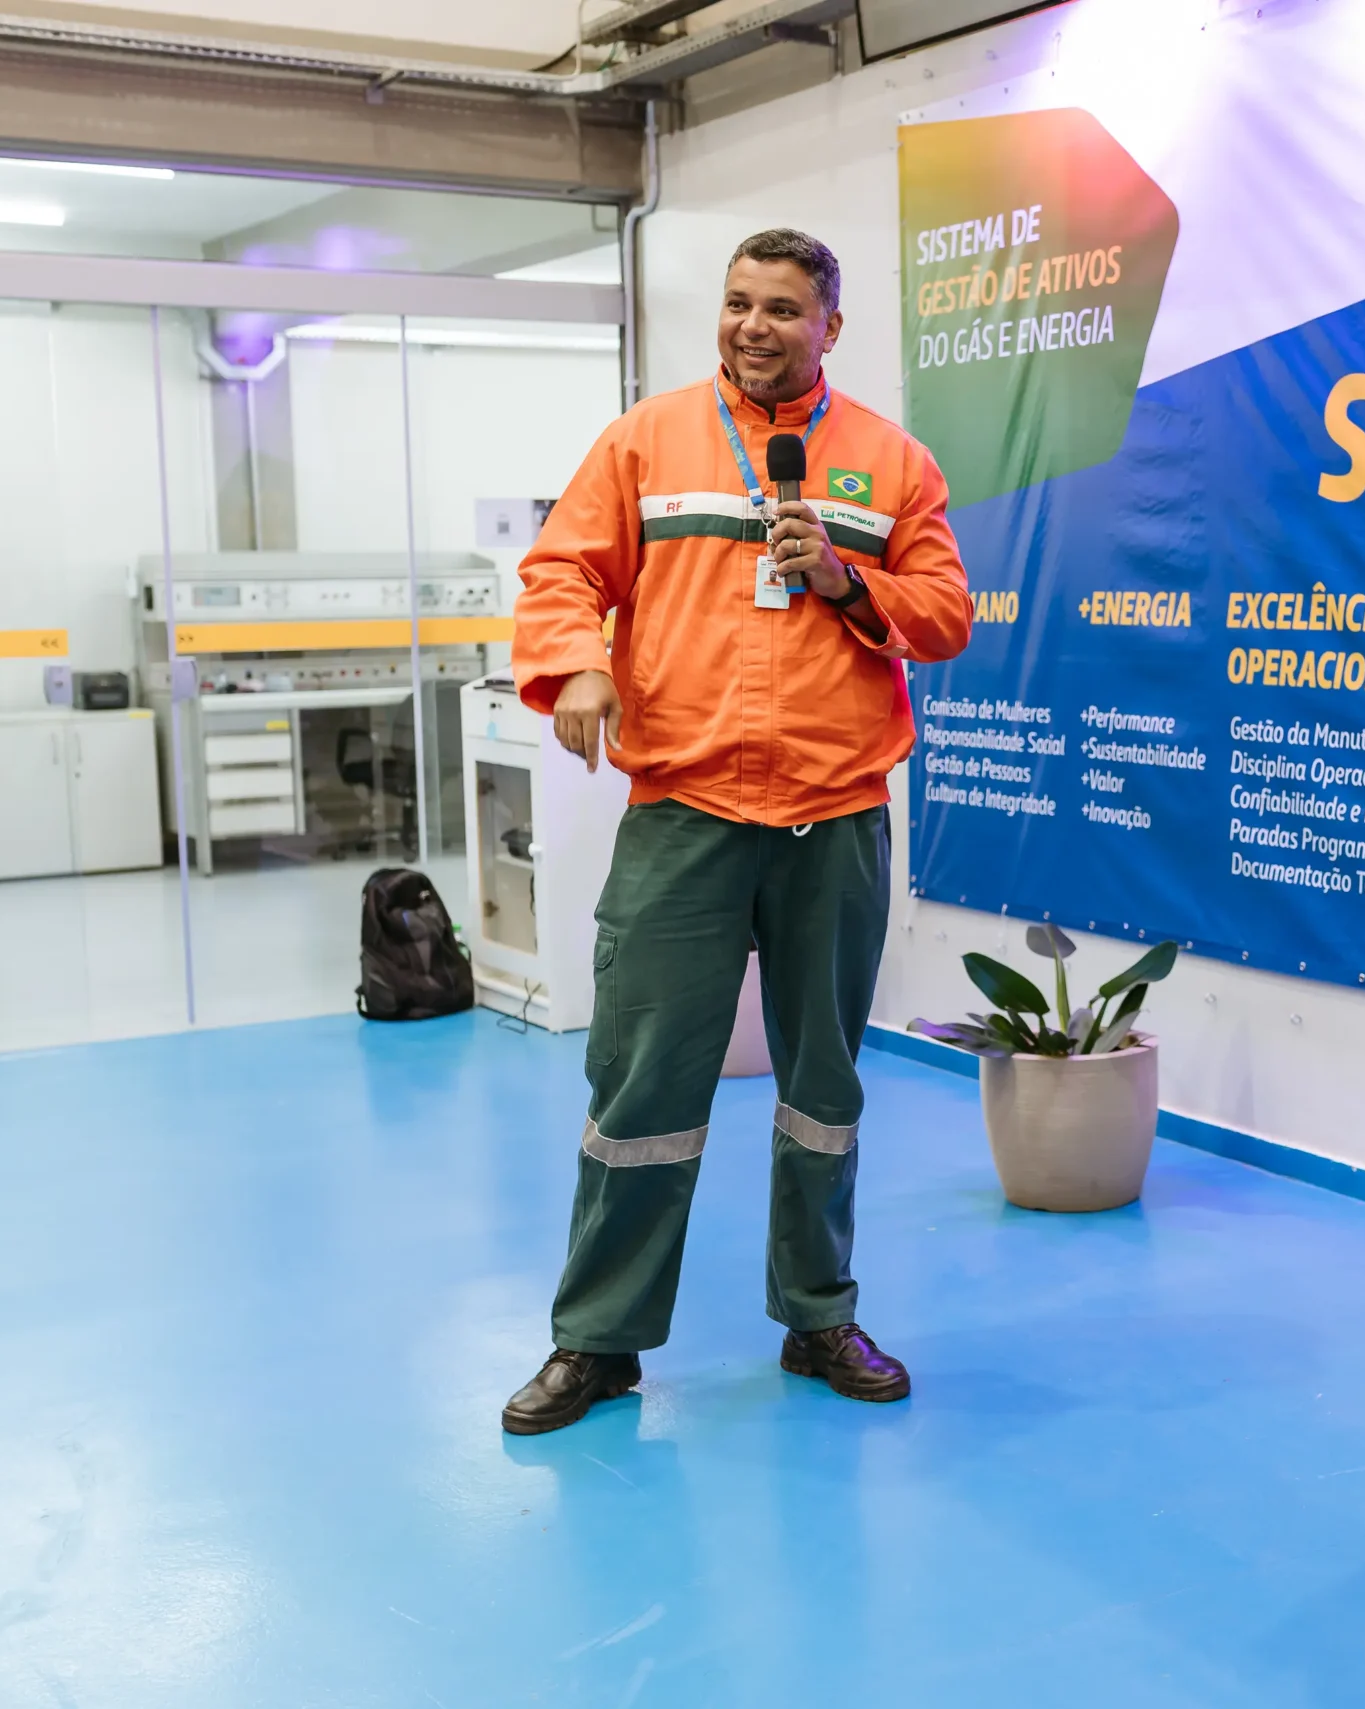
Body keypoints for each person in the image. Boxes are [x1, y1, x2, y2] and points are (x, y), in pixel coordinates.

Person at [499, 228, 972, 1434]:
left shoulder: (891, 461)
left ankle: (817, 1315)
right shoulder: (645, 441)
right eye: (738, 303)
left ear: (830, 326)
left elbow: (944, 614)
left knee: (823, 1089)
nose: (754, 326)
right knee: (640, 1084)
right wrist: (577, 665)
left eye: (782, 308)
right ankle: (597, 1339)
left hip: (834, 814)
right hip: (686, 811)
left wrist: (847, 580)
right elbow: (562, 574)